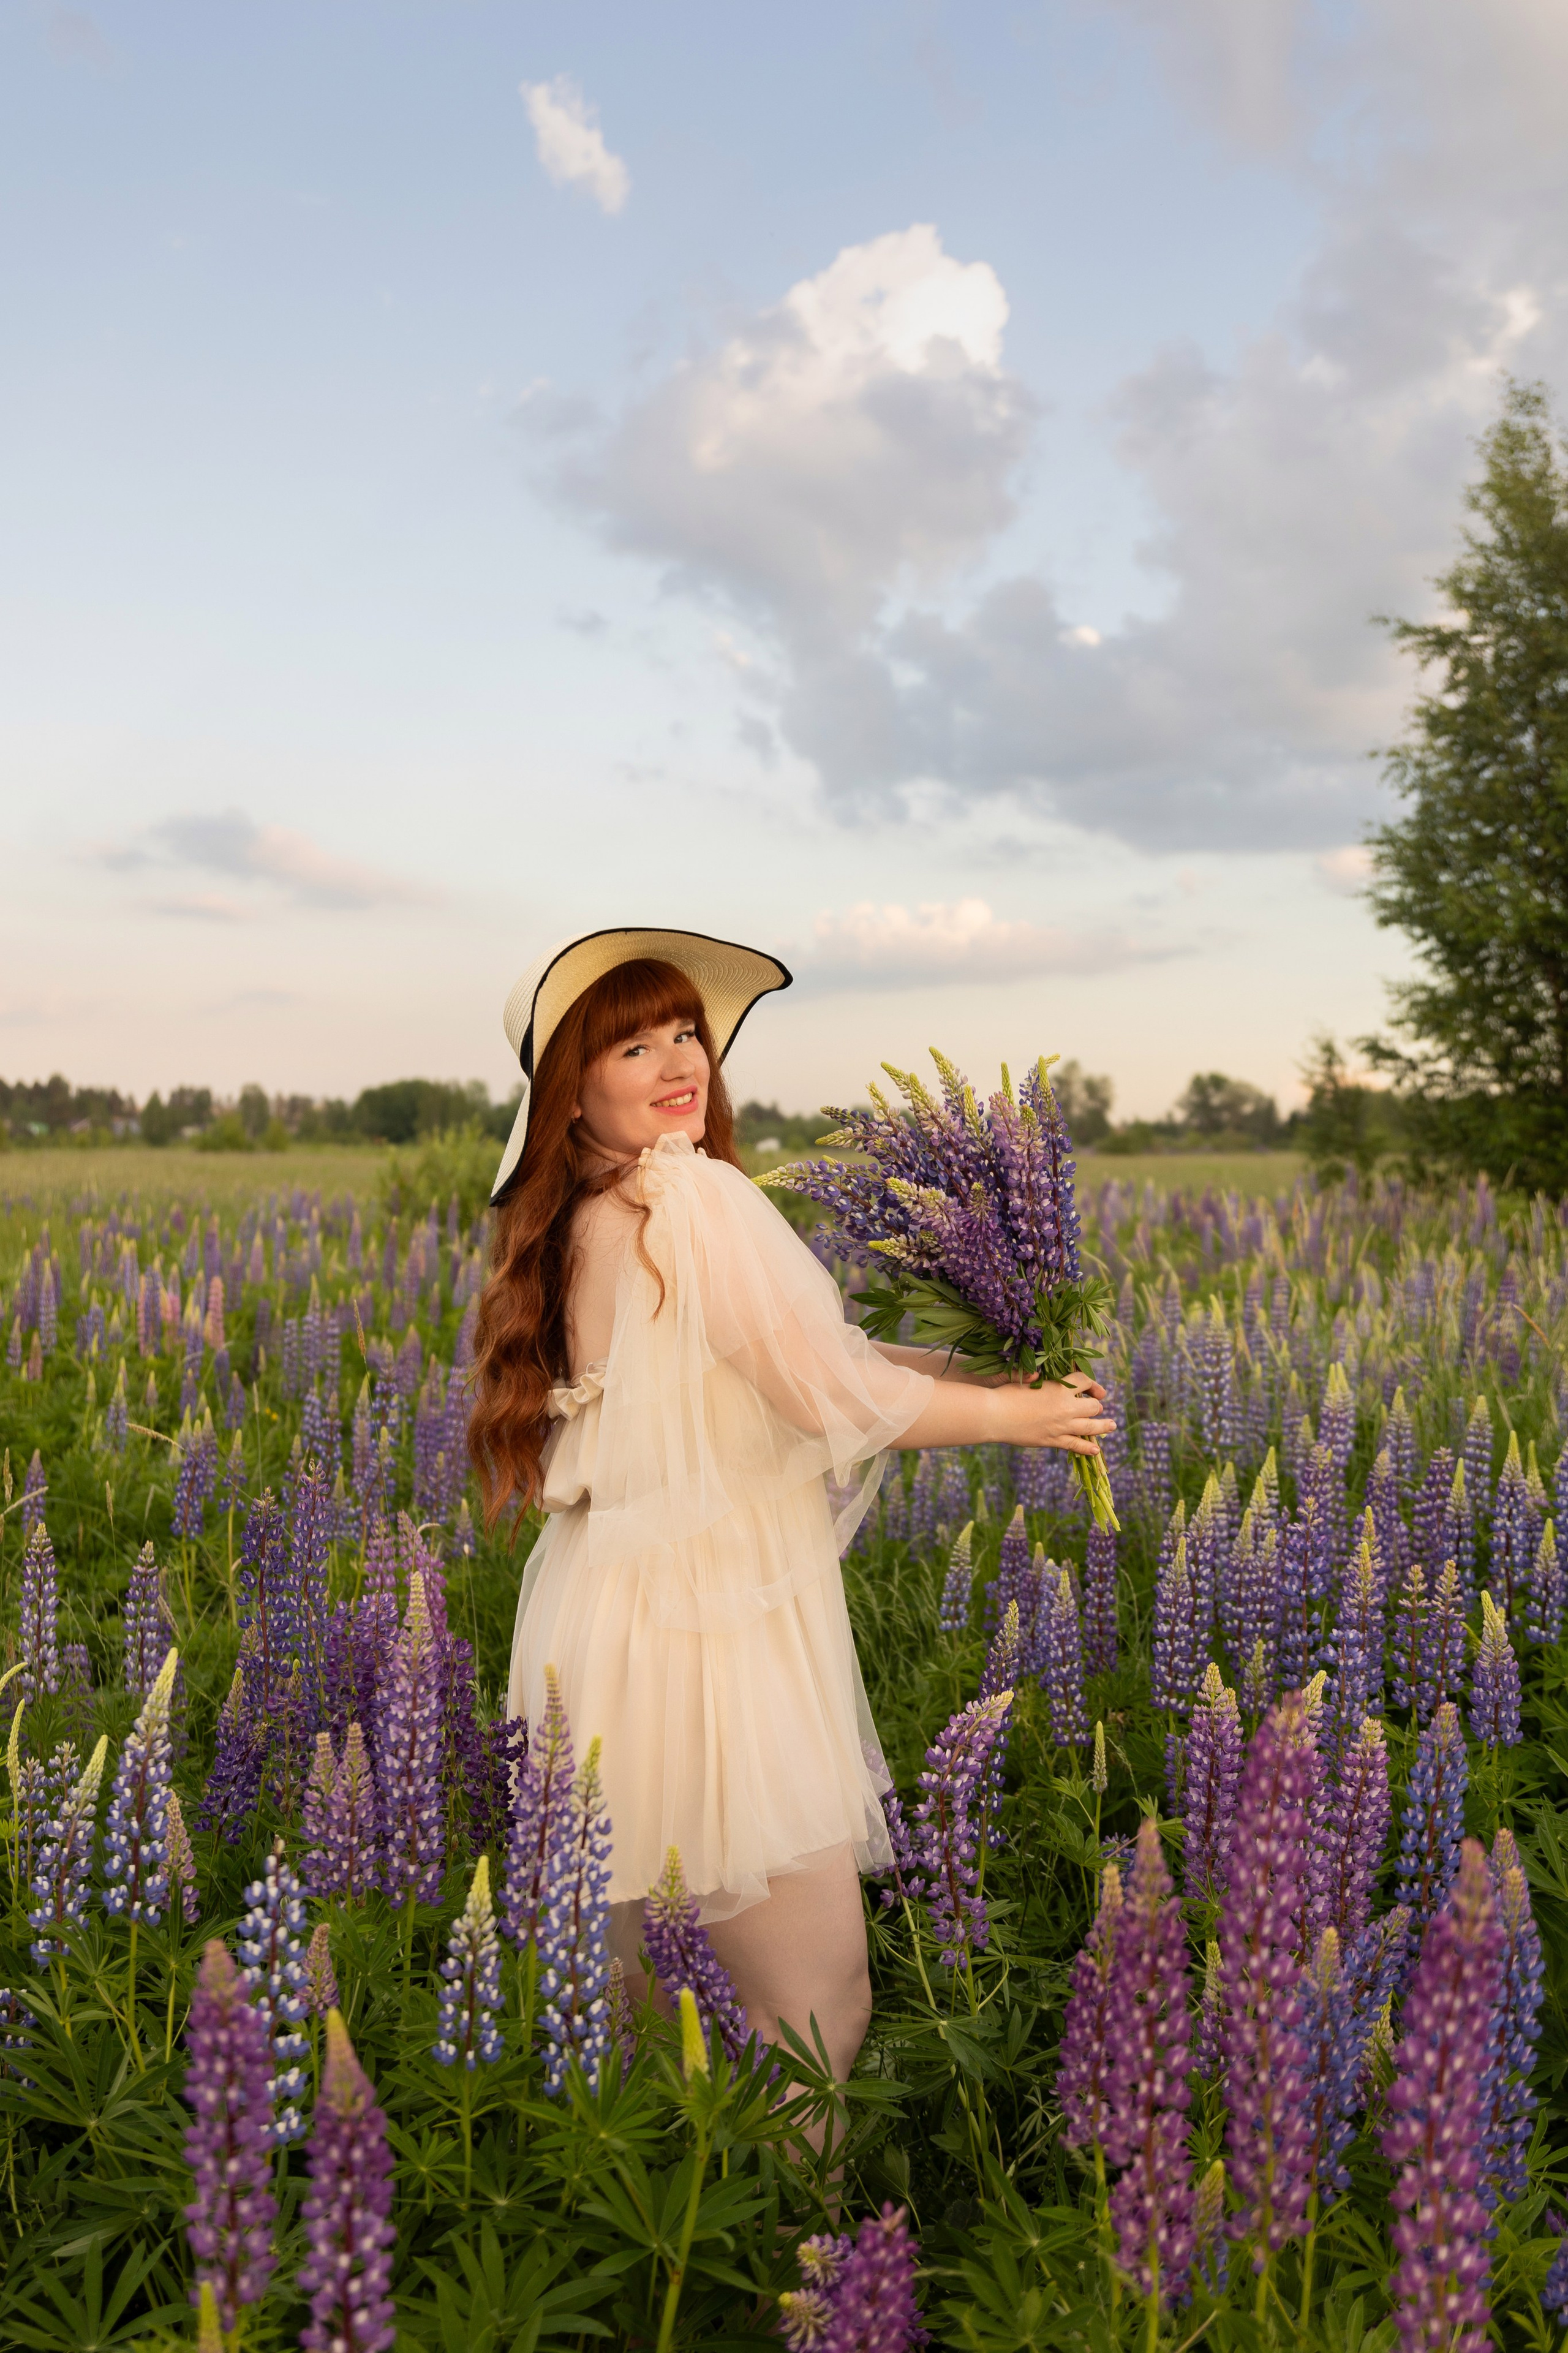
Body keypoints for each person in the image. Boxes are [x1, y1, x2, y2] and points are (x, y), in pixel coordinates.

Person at [469, 927, 1113, 2091]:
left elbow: (814, 1353)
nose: (678, 1061)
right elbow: (820, 1392)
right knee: (817, 2009)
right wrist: (1024, 1418)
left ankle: (699, 2246)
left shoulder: (589, 1211)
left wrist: (986, 1374)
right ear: (573, 1086)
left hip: (604, 1623)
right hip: (707, 1635)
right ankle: (798, 2264)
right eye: (631, 1043)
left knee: (650, 2016)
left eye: (685, 1033)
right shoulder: (689, 1194)